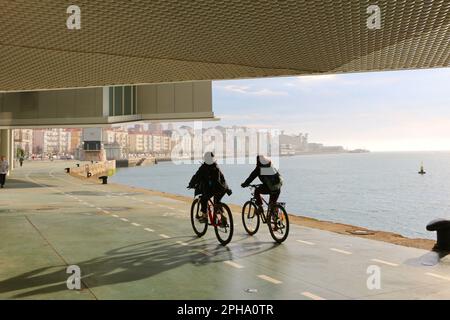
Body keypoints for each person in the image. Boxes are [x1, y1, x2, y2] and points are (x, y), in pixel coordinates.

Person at [188, 152, 232, 222]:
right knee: (217, 203)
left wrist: (191, 184)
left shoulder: (204, 167)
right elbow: (222, 178)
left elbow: (196, 177)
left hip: (215, 189)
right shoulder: (216, 166)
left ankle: (205, 216)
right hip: (223, 188)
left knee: (203, 199)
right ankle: (222, 217)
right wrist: (227, 188)